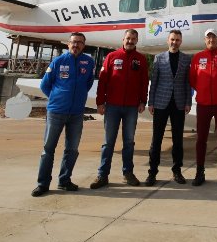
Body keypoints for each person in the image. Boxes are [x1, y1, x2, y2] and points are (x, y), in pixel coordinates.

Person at [31, 32, 95, 197]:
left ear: (84, 45)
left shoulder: (88, 62)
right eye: (74, 42)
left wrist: (77, 98)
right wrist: (57, 98)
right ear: (68, 44)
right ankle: (42, 184)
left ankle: (64, 180)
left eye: (80, 42)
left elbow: (87, 84)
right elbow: (45, 85)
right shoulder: (58, 61)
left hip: (76, 114)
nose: (76, 45)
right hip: (56, 112)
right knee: (48, 149)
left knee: (72, 149)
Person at [91, 29, 148, 189]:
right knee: (108, 143)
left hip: (131, 108)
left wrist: (143, 101)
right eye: (128, 38)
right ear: (123, 39)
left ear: (137, 41)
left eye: (133, 39)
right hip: (112, 107)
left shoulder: (141, 59)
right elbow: (102, 81)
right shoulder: (111, 57)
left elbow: (144, 82)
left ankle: (128, 173)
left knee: (129, 142)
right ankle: (102, 175)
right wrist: (100, 102)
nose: (130, 41)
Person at [145, 29, 192, 186]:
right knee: (156, 139)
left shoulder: (186, 59)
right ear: (168, 40)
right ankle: (152, 172)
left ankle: (177, 171)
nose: (174, 42)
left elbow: (187, 82)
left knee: (178, 140)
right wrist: (150, 102)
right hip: (160, 103)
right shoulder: (159, 58)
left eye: (177, 40)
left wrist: (188, 102)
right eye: (172, 39)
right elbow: (154, 82)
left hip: (178, 104)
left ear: (181, 42)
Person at [189, 28, 217, 187]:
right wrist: (203, 92)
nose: (211, 40)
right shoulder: (197, 57)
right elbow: (193, 80)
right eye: (208, 38)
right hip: (203, 105)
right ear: (204, 40)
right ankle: (199, 172)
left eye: (214, 37)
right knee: (201, 139)